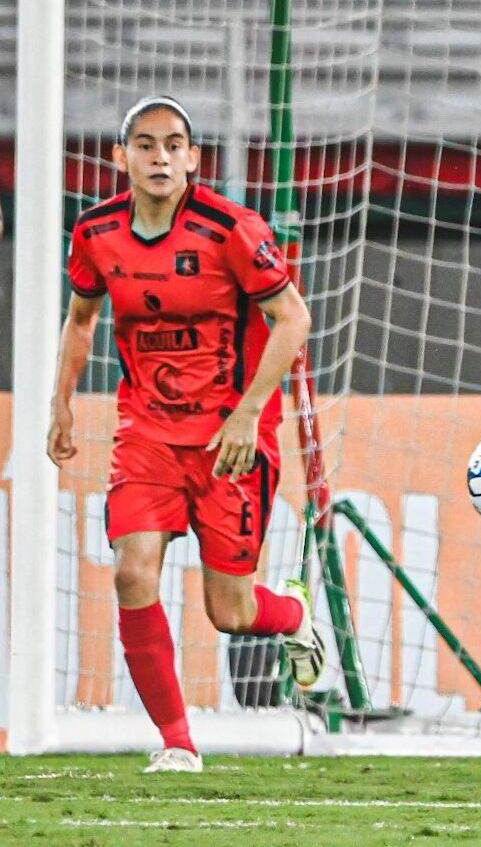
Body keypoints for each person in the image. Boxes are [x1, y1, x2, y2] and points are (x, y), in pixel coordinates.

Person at [47, 96, 327, 773]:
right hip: (146, 432)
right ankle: (177, 741)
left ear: (193, 158)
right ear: (121, 157)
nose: (161, 157)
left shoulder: (231, 229)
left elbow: (293, 319)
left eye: (174, 145)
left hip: (231, 437)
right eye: (145, 145)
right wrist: (61, 403)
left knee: (230, 611)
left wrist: (247, 413)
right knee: (131, 572)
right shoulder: (95, 232)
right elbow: (81, 319)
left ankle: (291, 615)